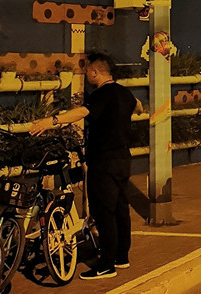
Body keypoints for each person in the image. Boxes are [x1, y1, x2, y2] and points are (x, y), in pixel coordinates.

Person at [30, 53, 142, 280]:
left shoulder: (101, 94)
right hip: (123, 159)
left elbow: (82, 112)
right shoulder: (125, 93)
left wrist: (51, 121)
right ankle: (122, 257)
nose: (86, 75)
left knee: (104, 212)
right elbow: (138, 107)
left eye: (87, 71)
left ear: (95, 72)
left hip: (104, 161)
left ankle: (106, 265)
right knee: (120, 209)